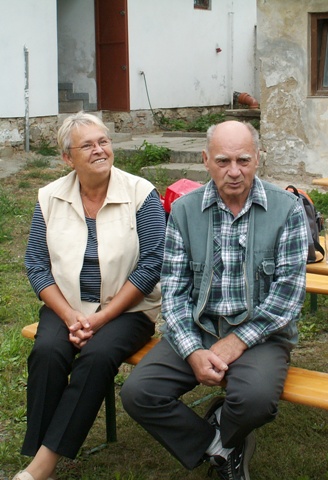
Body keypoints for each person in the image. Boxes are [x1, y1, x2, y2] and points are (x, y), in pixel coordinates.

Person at [121, 121, 308, 480]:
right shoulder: (183, 210)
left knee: (255, 401)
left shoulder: (287, 209)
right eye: (223, 161)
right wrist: (192, 350)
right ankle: (220, 446)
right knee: (139, 393)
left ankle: (226, 429)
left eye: (243, 160)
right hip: (198, 327)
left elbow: (288, 297)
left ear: (258, 158)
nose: (234, 171)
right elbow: (173, 292)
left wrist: (236, 342)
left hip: (261, 335)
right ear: (206, 160)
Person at [14, 112, 165, 480]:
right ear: (68, 158)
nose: (100, 150)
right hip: (68, 305)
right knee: (48, 352)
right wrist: (71, 316)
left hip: (129, 309)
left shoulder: (140, 193)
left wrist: (99, 319)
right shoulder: (49, 197)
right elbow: (36, 265)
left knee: (96, 356)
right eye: (88, 146)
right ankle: (41, 459)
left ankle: (41, 466)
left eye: (103, 142)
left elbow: (152, 264)